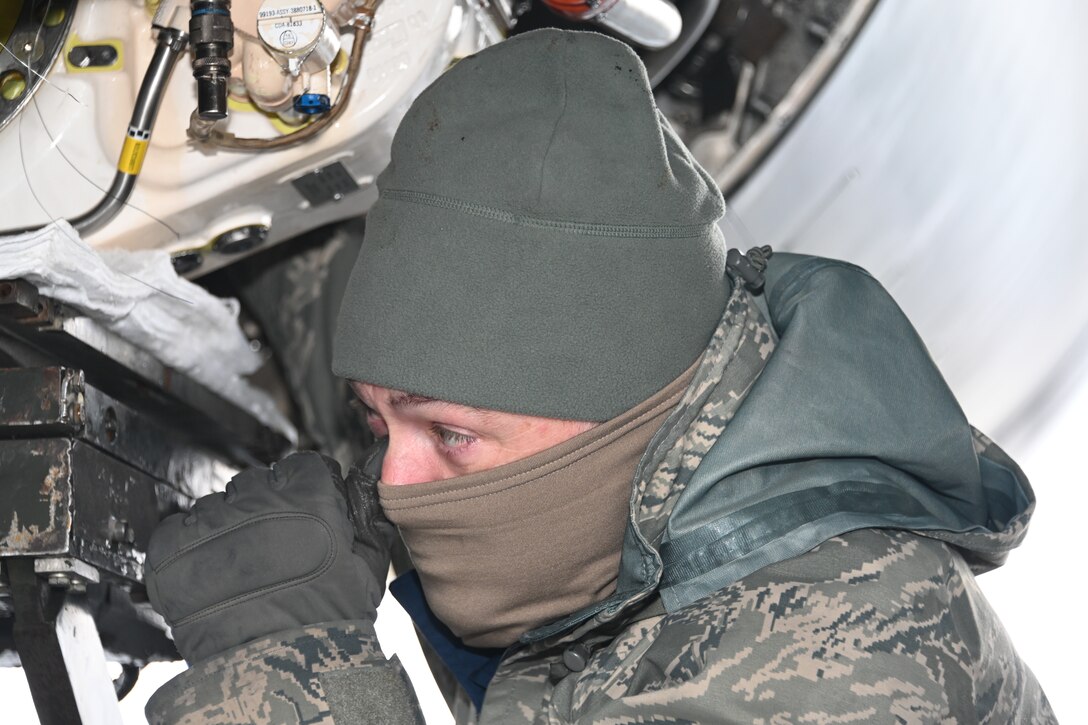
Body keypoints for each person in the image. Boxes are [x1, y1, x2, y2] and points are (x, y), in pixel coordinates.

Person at [143, 29, 1054, 724]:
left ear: (630, 412)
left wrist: (280, 667)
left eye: (447, 434)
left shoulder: (827, 661)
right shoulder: (601, 493)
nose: (395, 485)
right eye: (380, 424)